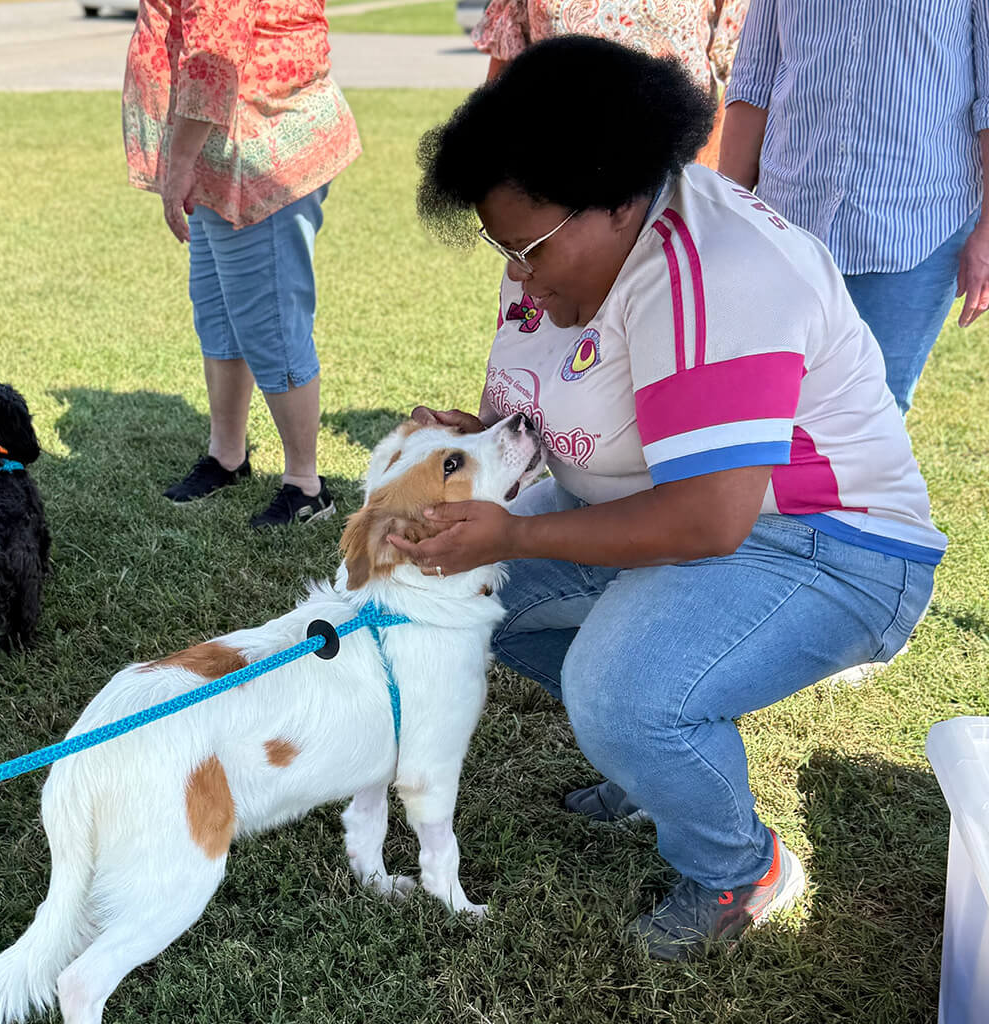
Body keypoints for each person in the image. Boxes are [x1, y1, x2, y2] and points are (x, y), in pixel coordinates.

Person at [393, 37, 944, 961]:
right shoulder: (564, 242)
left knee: (619, 689)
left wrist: (513, 537)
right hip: (695, 522)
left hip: (825, 544)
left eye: (527, 249)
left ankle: (740, 868)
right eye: (503, 247)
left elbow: (707, 520)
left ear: (617, 200)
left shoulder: (719, 275)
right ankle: (658, 762)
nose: (519, 274)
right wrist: (481, 442)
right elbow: (537, 399)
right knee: (475, 603)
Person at [122, 0, 361, 527]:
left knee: (269, 320)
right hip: (221, 149)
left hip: (260, 151)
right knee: (219, 310)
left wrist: (178, 162)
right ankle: (226, 455)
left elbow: (214, 56)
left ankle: (306, 486)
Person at [719, 0, 989, 416]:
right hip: (785, 223)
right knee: (766, 415)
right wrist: (726, 213)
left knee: (870, 421)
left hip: (912, 227)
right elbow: (754, 81)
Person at [471, 0, 751, 167]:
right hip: (554, 168)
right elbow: (507, 56)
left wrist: (712, 162)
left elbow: (746, 62)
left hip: (672, 168)